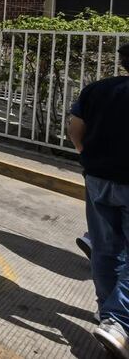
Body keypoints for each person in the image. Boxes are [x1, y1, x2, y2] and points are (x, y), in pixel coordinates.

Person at [68, 42, 129, 358]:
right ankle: (118, 321)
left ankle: (109, 316)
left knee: (105, 250)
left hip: (98, 180)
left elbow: (75, 127)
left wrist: (85, 154)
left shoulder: (98, 90)